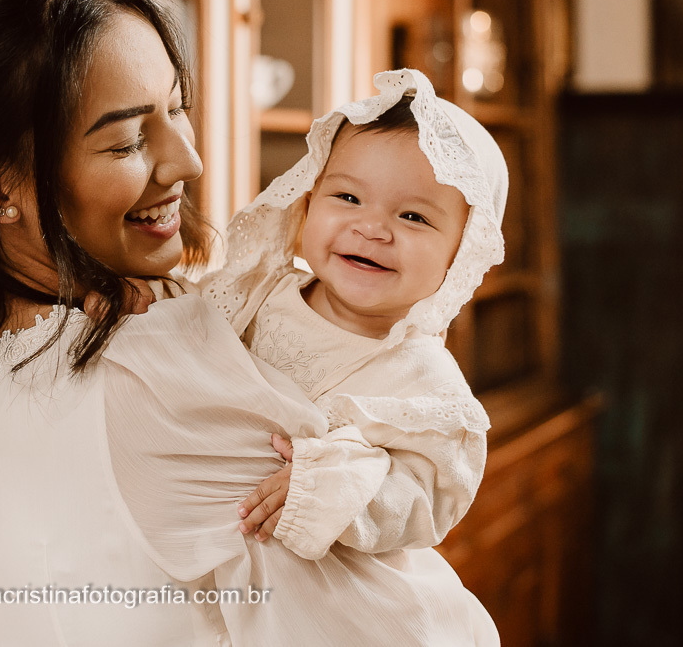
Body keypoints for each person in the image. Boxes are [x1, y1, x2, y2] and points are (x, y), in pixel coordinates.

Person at [0, 0, 497, 645]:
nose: (188, 160)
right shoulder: (158, 372)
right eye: (125, 142)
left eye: (177, 107)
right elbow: (395, 627)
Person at [199, 70, 504, 560]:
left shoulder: (426, 382)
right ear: (307, 200)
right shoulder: (255, 293)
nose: (371, 229)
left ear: (461, 254)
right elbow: (181, 335)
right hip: (210, 539)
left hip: (332, 585)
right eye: (347, 197)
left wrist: (329, 492)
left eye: (413, 217)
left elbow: (427, 500)